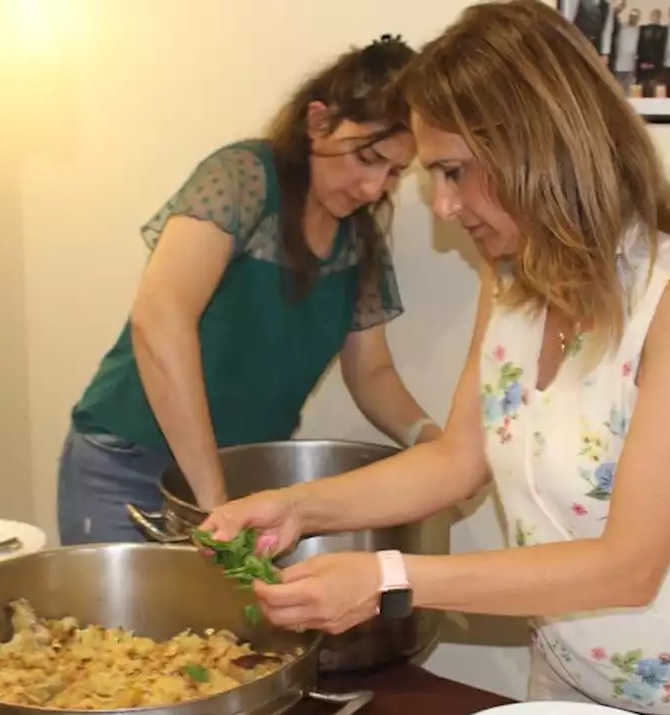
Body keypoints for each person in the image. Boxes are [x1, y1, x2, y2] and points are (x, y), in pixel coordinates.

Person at [201, 3, 670, 715]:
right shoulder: (512, 279)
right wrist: (299, 505)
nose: (441, 205)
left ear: (542, 143)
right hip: (569, 672)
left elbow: (630, 564)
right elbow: (457, 459)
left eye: (454, 171)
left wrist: (386, 578)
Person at [57, 35, 440, 545]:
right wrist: (212, 499)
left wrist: (431, 441)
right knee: (107, 627)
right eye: (366, 157)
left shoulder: (357, 238)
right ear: (318, 122)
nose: (374, 189)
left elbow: (371, 370)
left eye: (394, 172)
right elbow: (161, 317)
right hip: (127, 466)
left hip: (238, 480)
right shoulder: (242, 180)